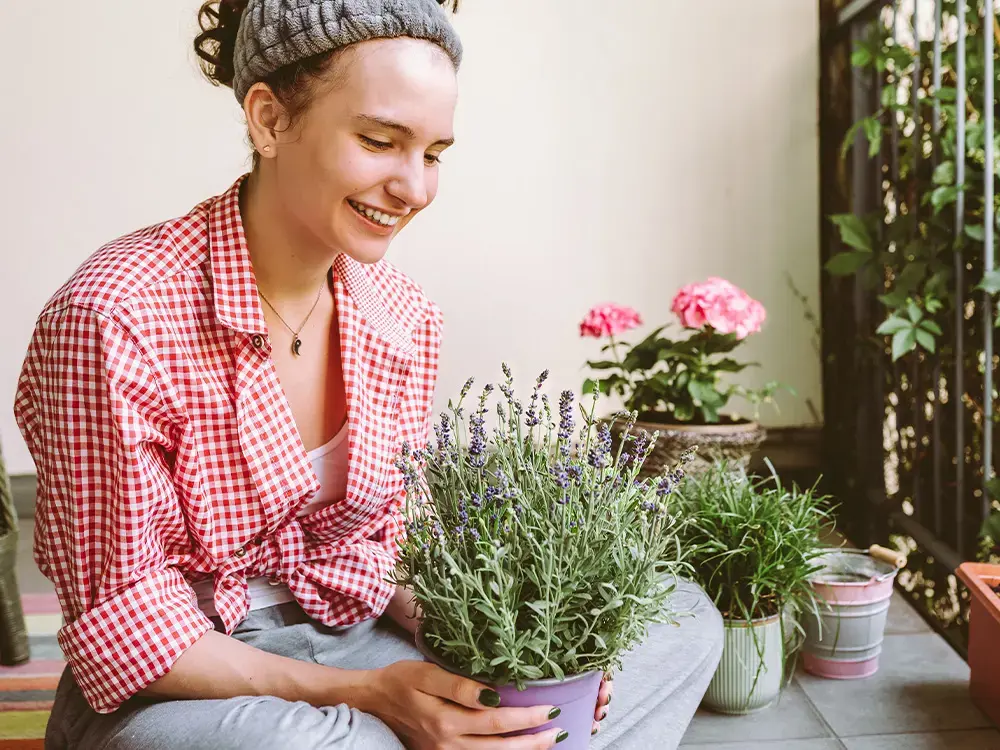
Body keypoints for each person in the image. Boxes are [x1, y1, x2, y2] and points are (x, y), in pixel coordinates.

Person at [14, 1, 724, 748]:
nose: (414, 188)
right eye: (380, 141)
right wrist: (373, 699)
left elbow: (393, 548)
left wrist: (526, 656)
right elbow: (126, 626)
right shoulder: (114, 316)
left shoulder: (400, 314)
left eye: (435, 153)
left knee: (675, 618)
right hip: (198, 688)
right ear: (270, 121)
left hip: (358, 633)